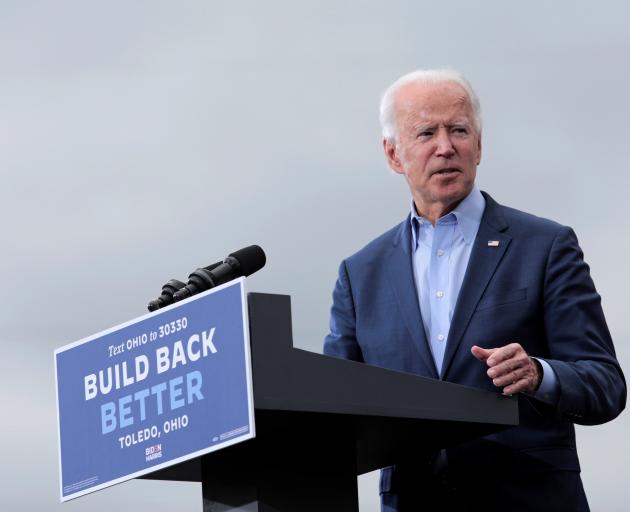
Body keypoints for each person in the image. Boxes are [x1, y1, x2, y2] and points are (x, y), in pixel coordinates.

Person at [323, 69, 626, 511]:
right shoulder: (360, 274)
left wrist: (540, 375)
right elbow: (333, 403)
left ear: (479, 145)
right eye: (426, 132)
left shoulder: (544, 246)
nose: (445, 146)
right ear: (393, 154)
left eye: (459, 130)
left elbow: (605, 384)